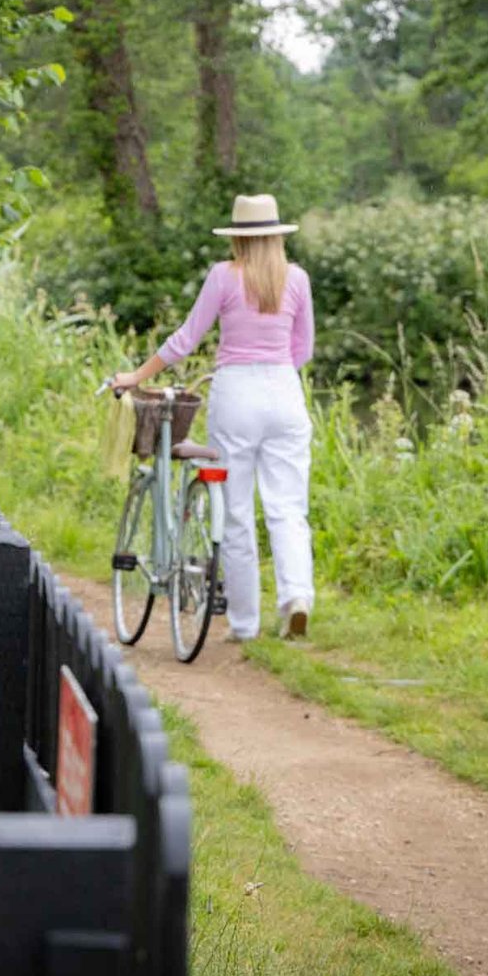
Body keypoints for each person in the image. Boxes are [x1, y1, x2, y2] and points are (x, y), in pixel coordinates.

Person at [112, 193, 315, 641]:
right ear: (277, 235)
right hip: (285, 390)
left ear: (238, 238)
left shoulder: (224, 276)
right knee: (288, 509)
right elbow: (304, 350)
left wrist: (136, 375)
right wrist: (275, 373)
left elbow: (184, 340)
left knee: (236, 511)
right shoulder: (296, 279)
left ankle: (244, 623)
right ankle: (296, 597)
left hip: (236, 393)